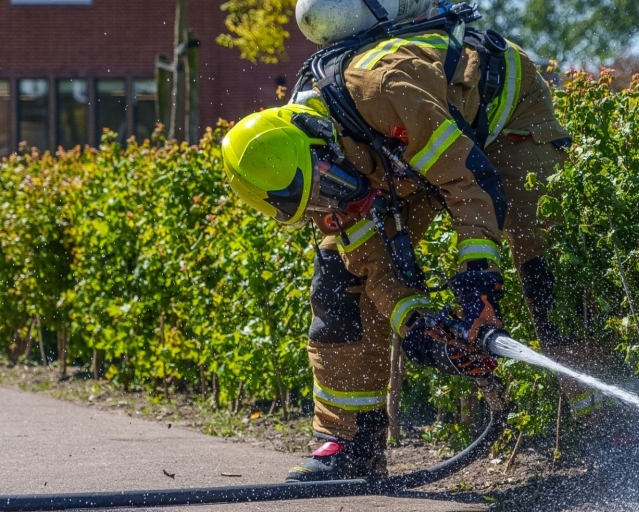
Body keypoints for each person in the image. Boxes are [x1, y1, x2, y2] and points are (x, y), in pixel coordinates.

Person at [221, 27, 613, 483]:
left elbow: (466, 179)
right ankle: (352, 445)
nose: (336, 204)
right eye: (317, 204)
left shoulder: (385, 90)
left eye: (329, 186)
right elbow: (373, 265)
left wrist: (477, 283)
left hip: (503, 119)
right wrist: (421, 327)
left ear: (316, 135)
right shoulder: (322, 178)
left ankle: (612, 429)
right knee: (337, 275)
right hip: (398, 157)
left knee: (543, 261)